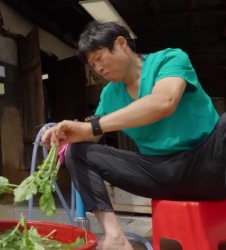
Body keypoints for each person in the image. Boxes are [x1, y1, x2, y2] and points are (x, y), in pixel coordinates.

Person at [42, 20, 225, 250]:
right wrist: (67, 134)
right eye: (92, 65)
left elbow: (164, 102)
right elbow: (92, 134)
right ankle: (115, 237)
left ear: (120, 44)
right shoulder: (109, 94)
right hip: (159, 174)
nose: (98, 69)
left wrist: (92, 127)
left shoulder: (169, 59)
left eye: (99, 59)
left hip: (208, 164)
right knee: (78, 152)